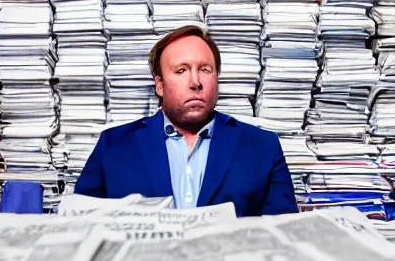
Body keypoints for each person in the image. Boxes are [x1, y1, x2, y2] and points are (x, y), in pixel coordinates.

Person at [74, 25, 299, 217]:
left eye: (205, 70)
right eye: (181, 70)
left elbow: (286, 237)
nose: (195, 82)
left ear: (216, 79)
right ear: (160, 85)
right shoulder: (113, 146)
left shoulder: (262, 147)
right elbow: (79, 229)